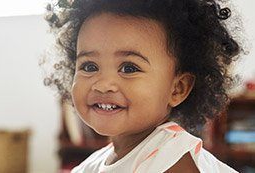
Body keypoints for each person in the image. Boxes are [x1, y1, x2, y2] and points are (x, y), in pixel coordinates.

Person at [43, 0, 243, 172]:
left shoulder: (171, 159)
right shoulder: (91, 165)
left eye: (129, 68)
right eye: (89, 66)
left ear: (178, 88)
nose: (103, 85)